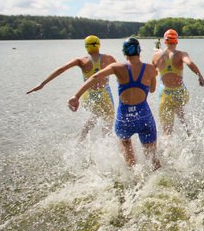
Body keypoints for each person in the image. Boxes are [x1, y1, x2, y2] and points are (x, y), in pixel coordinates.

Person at [68, 37, 160, 169]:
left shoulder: (117, 67)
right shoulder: (150, 68)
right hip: (144, 117)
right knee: (153, 158)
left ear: (124, 53)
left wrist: (76, 96)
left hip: (124, 119)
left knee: (130, 161)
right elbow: (152, 90)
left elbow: (95, 77)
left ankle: (135, 179)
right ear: (140, 51)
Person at [28, 35, 116, 141]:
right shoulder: (108, 58)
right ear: (99, 45)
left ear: (86, 46)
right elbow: (123, 71)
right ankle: (106, 143)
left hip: (88, 94)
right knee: (108, 121)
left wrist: (42, 84)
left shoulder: (81, 61)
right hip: (105, 94)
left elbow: (61, 69)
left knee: (94, 116)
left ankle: (80, 140)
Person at [152, 29, 204, 136]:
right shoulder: (181, 54)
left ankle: (168, 144)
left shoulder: (156, 56)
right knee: (178, 107)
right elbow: (189, 63)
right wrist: (200, 76)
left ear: (165, 41)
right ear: (176, 41)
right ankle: (188, 131)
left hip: (165, 94)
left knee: (167, 130)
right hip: (180, 92)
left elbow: (152, 73)